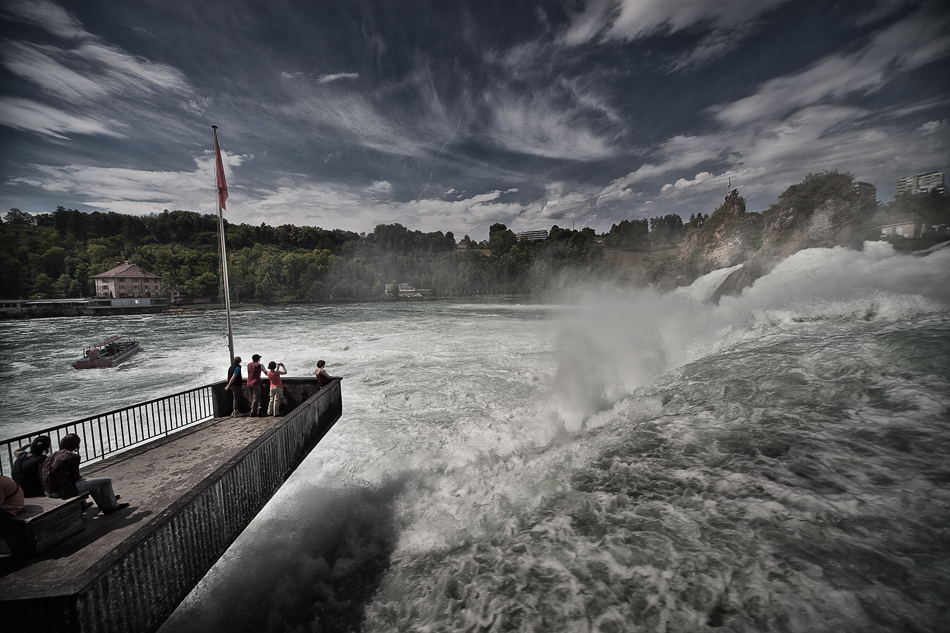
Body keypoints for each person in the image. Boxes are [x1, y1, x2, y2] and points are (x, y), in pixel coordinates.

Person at [41, 434, 129, 514]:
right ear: (76, 444)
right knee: (106, 481)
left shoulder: (52, 456)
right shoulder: (73, 457)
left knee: (91, 482)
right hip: (63, 491)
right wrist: (83, 479)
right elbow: (76, 478)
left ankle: (104, 502)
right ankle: (111, 506)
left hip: (49, 491)